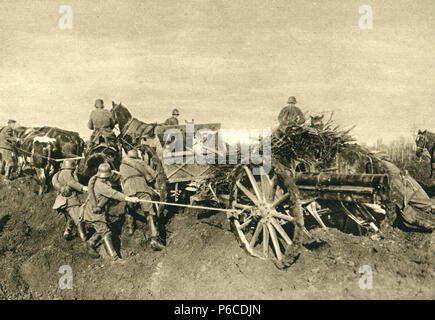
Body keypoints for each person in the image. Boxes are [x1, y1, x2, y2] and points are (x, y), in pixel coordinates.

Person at [80, 163, 140, 260]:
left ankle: (90, 244)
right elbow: (114, 194)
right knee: (106, 233)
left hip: (92, 211)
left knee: (101, 229)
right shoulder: (101, 186)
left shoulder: (96, 180)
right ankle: (114, 258)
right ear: (105, 177)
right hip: (94, 213)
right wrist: (128, 198)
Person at [119, 149, 165, 250]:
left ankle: (130, 227)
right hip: (141, 187)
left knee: (128, 206)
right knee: (150, 214)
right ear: (137, 156)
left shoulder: (121, 165)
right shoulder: (140, 162)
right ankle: (154, 239)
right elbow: (153, 175)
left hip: (128, 189)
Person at [52, 160, 88, 241]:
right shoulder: (67, 172)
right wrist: (83, 187)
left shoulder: (60, 173)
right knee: (79, 218)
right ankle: (84, 238)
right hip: (70, 201)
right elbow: (71, 182)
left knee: (70, 218)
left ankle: (67, 232)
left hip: (62, 202)